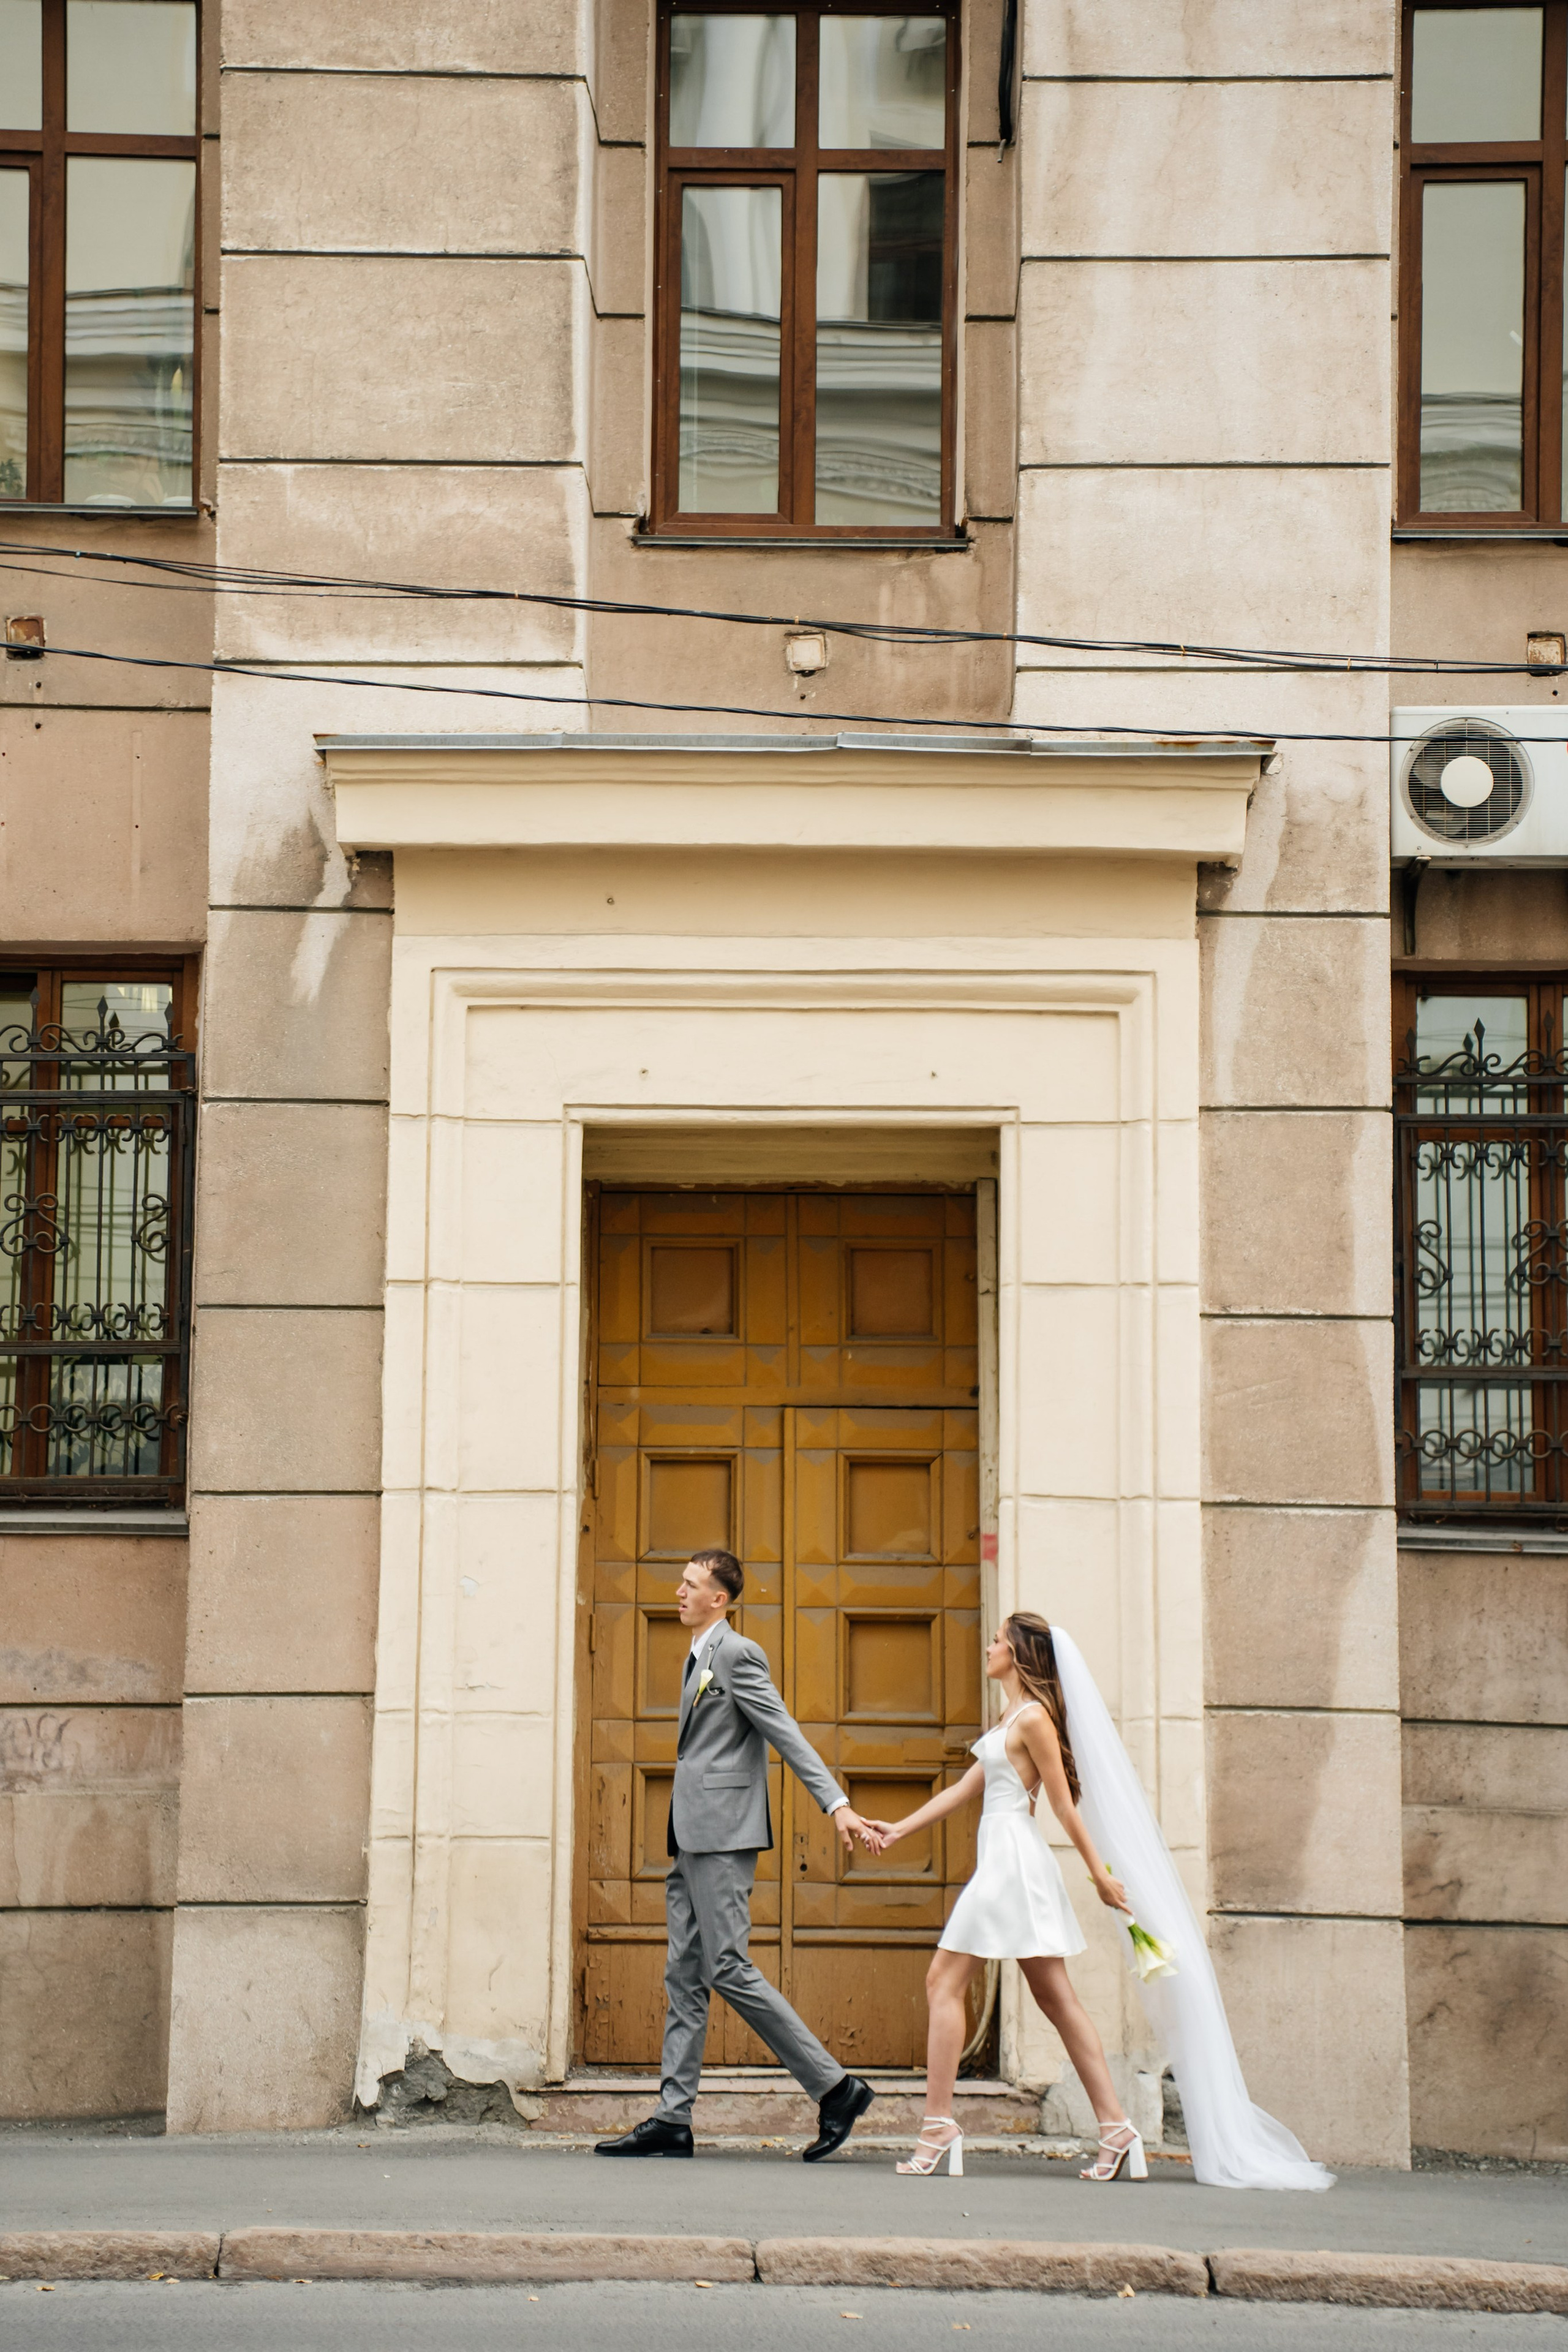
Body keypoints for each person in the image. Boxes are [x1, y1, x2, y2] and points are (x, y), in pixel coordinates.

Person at [595, 1547, 883, 2163]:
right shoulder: (697, 1654)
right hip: (690, 1833)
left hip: (724, 1836)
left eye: (691, 1584)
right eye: (681, 1581)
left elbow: (786, 1734)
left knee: (726, 1965)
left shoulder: (737, 1654)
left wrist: (837, 1805)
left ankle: (835, 2087)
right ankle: (673, 2119)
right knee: (684, 1974)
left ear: (718, 1600)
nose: (679, 1591)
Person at [866, 1613, 1144, 2182]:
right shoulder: (1009, 1717)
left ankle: (938, 2124)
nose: (988, 1647)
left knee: (943, 1983)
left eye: (997, 1641)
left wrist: (1099, 1876)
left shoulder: (1036, 1718)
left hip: (1012, 1864)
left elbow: (1065, 1806)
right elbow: (967, 1791)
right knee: (1056, 1999)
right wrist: (897, 1830)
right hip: (1004, 1861)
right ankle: (1116, 2129)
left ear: (1016, 1655)